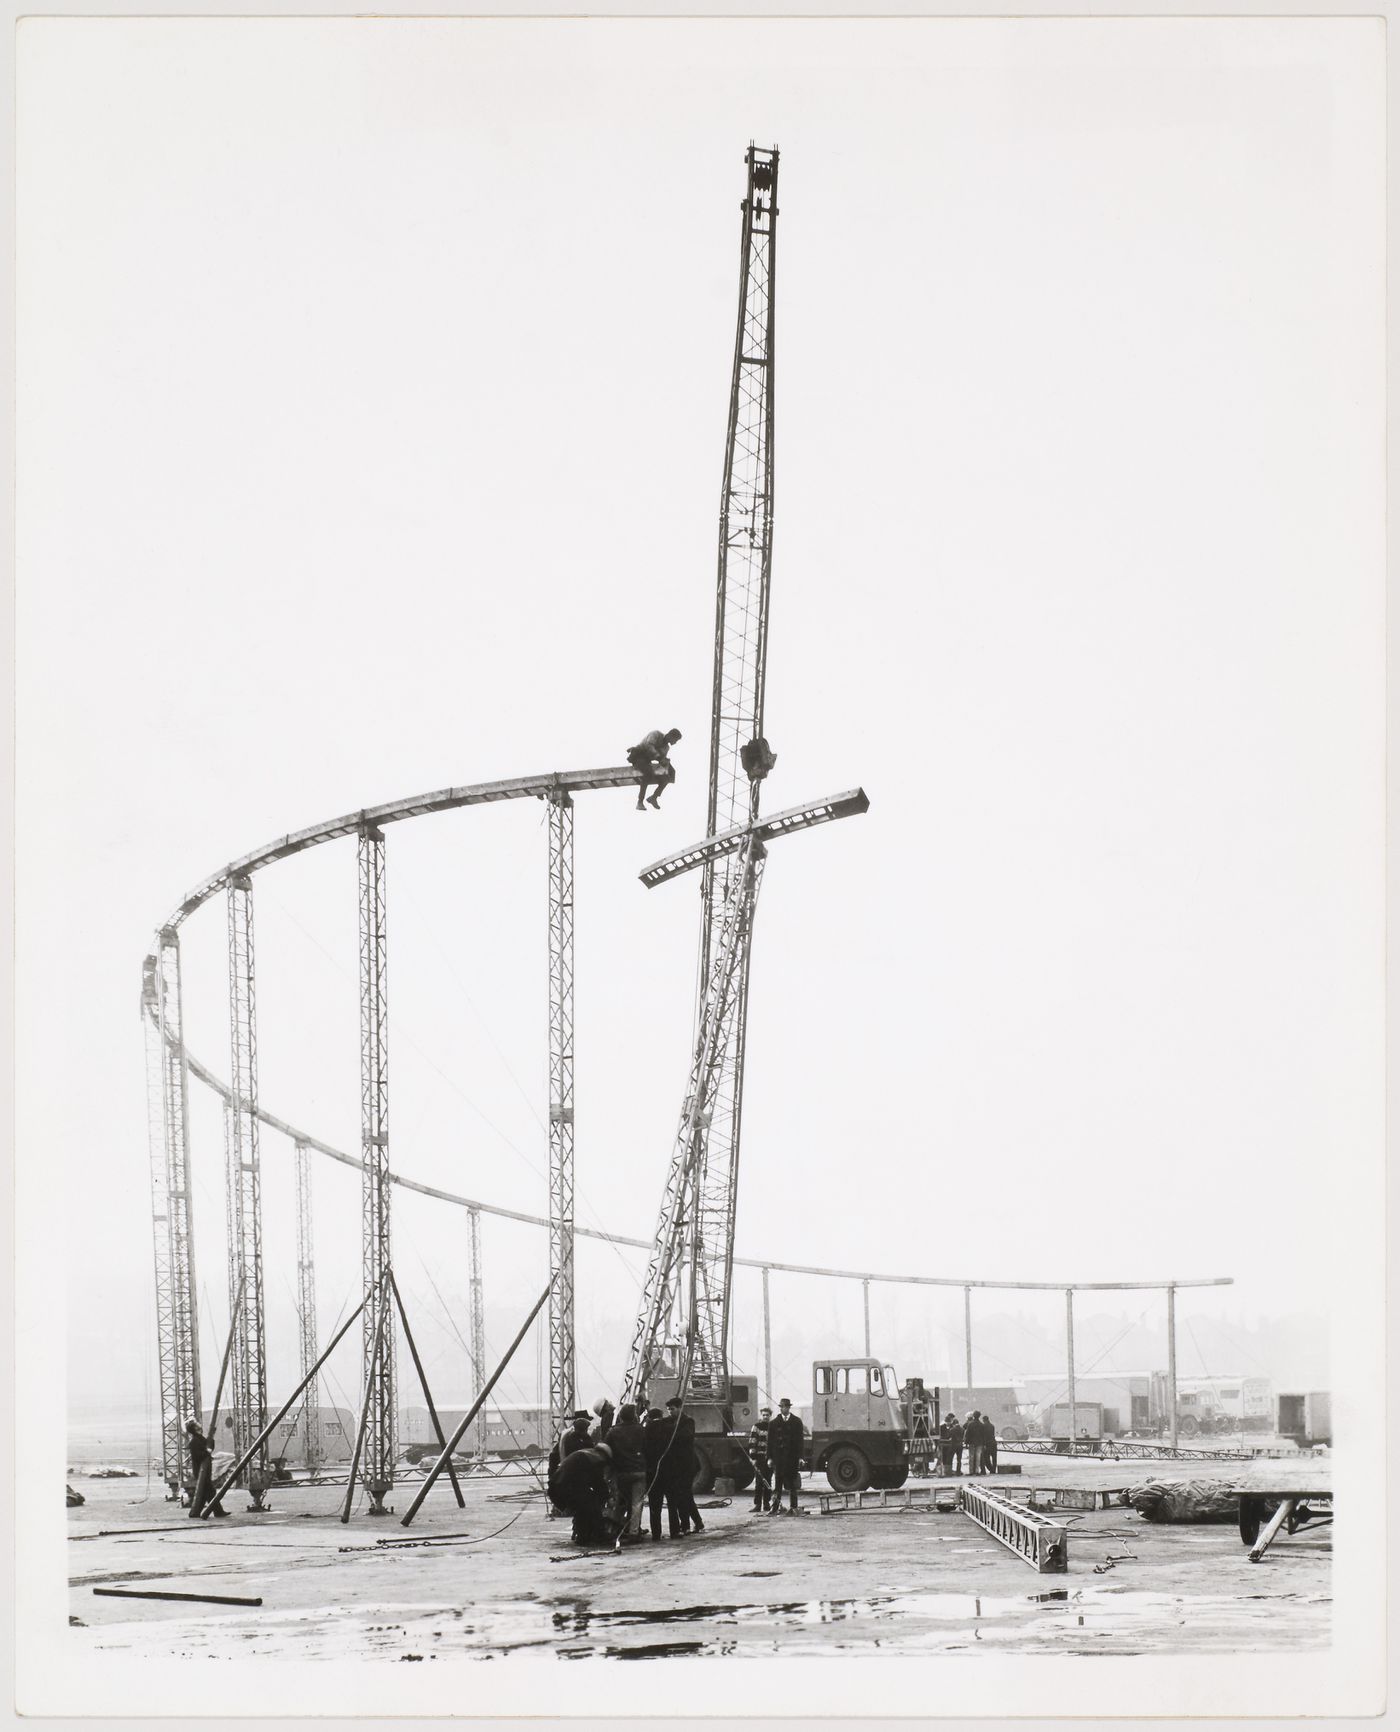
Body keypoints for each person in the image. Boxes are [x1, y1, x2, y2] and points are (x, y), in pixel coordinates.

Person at [551, 1440, 615, 1546]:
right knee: (590, 1506)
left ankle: (583, 1535)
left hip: (557, 1485)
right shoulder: (596, 1459)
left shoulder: (586, 1453)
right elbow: (598, 1482)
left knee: (583, 1507)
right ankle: (595, 1535)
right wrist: (607, 1497)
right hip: (566, 1486)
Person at [606, 1403, 648, 1545]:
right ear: (634, 1415)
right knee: (637, 1503)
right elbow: (648, 1449)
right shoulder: (641, 1430)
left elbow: (607, 1451)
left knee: (620, 1502)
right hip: (639, 1470)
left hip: (621, 1472)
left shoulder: (612, 1432)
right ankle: (634, 1532)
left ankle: (614, 1530)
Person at [663, 1396, 704, 1535]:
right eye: (668, 1410)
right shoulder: (669, 1421)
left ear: (680, 1408)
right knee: (685, 1495)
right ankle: (696, 1522)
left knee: (684, 1495)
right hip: (675, 1466)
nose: (670, 1412)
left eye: (672, 1409)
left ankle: (686, 1525)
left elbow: (685, 1436)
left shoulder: (688, 1421)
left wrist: (671, 1430)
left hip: (686, 1465)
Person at [642, 1408, 681, 1540]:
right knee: (672, 1503)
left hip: (653, 1471)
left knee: (654, 1504)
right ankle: (674, 1531)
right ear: (661, 1415)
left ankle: (656, 1533)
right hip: (670, 1470)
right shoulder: (670, 1428)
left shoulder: (646, 1430)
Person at [626, 728, 682, 810]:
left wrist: (664, 762)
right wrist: (659, 757)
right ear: (670, 735)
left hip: (647, 761)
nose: (675, 742)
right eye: (675, 740)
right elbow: (649, 746)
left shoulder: (666, 748)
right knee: (648, 773)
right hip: (639, 756)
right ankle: (640, 802)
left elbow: (661, 759)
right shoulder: (656, 734)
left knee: (670, 773)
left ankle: (654, 797)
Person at [766, 1397, 804, 1515]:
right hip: (779, 1459)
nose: (785, 1409)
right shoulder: (773, 1423)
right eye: (783, 1407)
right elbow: (770, 1442)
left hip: (792, 1459)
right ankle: (775, 1507)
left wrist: (801, 1457)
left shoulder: (797, 1422)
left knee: (792, 1485)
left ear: (789, 1408)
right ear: (780, 1408)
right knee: (778, 1485)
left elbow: (800, 1441)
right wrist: (769, 1458)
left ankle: (794, 1507)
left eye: (787, 1407)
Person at [185, 1419, 228, 1518]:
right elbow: (198, 1456)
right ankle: (218, 1512)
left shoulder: (200, 1439)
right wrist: (207, 1452)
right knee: (210, 1491)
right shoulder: (194, 1441)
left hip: (204, 1470)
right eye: (197, 1425)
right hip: (201, 1471)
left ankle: (195, 1513)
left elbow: (209, 1446)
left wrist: (211, 1438)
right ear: (195, 1428)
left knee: (204, 1493)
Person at [748, 1406, 773, 1513]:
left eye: (767, 1415)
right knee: (759, 1482)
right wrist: (753, 1458)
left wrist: (772, 1458)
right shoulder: (756, 1427)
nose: (765, 1417)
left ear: (770, 1416)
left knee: (768, 1482)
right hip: (759, 1458)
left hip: (769, 1459)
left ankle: (767, 1504)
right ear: (761, 1415)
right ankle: (757, 1505)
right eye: (763, 1415)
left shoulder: (773, 1427)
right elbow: (752, 1442)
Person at [966, 1410, 984, 1476]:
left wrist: (966, 1442)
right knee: (978, 1456)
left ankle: (971, 1471)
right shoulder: (981, 1425)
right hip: (979, 1443)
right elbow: (983, 1435)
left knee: (971, 1456)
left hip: (972, 1442)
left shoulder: (970, 1424)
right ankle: (977, 1471)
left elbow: (967, 1434)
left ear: (973, 1416)